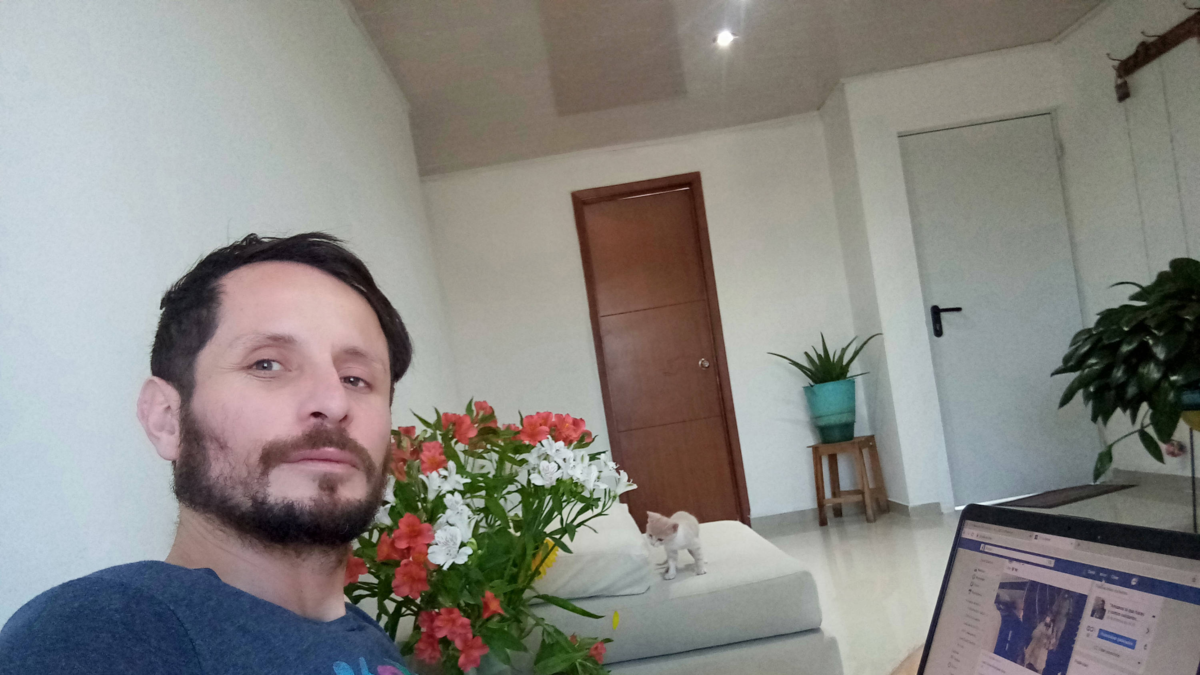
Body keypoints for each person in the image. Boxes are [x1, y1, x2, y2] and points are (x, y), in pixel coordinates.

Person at [0, 233, 414, 674]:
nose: (333, 402)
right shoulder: (103, 632)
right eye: (266, 364)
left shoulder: (371, 641)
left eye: (355, 379)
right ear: (167, 419)